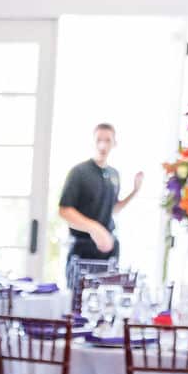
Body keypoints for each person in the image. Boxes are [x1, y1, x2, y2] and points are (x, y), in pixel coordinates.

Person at [57, 123, 145, 295]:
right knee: (78, 307)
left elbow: (112, 209)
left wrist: (135, 191)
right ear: (92, 142)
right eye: (99, 140)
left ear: (114, 143)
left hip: (108, 254)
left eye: (107, 140)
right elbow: (64, 210)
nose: (103, 145)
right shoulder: (79, 172)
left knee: (106, 305)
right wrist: (95, 229)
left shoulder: (114, 174)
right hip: (83, 252)